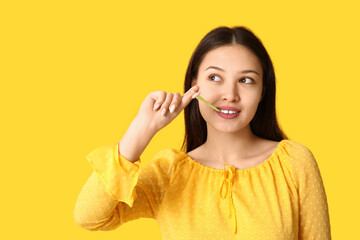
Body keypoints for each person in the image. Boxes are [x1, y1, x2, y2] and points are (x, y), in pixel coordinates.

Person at [73, 26, 331, 239]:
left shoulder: (294, 163)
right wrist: (142, 128)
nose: (230, 94)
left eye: (246, 80)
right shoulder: (170, 173)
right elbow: (90, 217)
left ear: (262, 91)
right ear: (194, 85)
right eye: (215, 78)